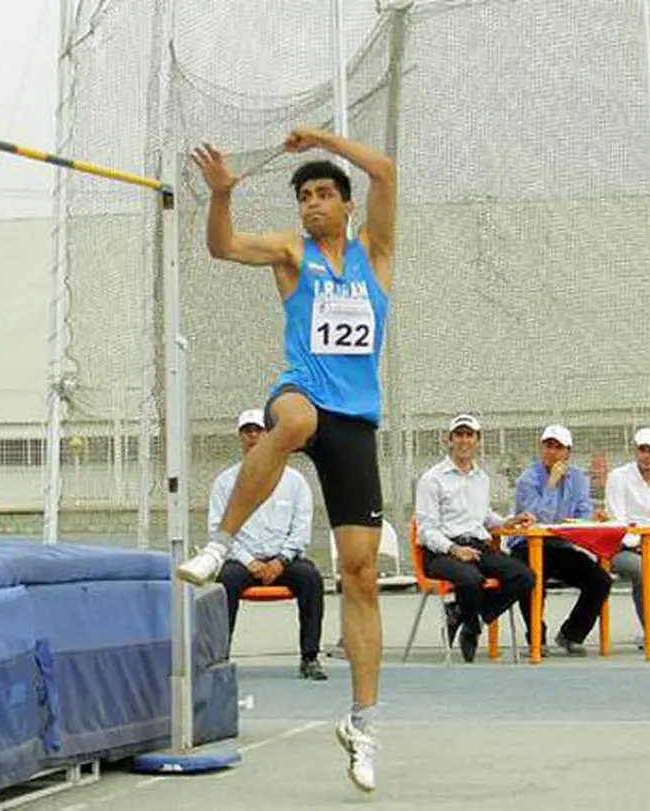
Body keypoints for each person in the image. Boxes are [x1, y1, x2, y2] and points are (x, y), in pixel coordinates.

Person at [179, 126, 396, 792]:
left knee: (358, 575)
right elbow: (222, 246)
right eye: (305, 196)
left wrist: (321, 139)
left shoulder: (374, 254)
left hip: (355, 422)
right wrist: (220, 196)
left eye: (325, 194)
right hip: (303, 394)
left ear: (346, 204)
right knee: (294, 419)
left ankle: (361, 723)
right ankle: (219, 544)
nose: (313, 205)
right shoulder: (290, 255)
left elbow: (384, 168)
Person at [211, 409, 326, 680]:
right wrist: (249, 561)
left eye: (259, 431)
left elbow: (301, 529)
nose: (253, 437)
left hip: (283, 560)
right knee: (224, 581)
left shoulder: (295, 482)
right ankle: (218, 659)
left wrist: (281, 561)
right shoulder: (225, 482)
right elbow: (219, 529)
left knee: (310, 578)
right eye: (247, 431)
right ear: (240, 437)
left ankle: (310, 657)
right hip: (242, 561)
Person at [413, 414, 536, 662]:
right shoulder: (432, 479)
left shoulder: (482, 478)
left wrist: (506, 522)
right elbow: (426, 530)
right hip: (441, 553)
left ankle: (470, 618)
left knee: (525, 576)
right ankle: (469, 621)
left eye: (470, 435)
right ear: (449, 440)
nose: (464, 440)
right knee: (471, 579)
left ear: (478, 440)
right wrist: (454, 549)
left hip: (477, 547)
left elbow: (482, 516)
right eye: (459, 434)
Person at [506, 424, 611, 656]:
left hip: (560, 545)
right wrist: (552, 483)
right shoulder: (527, 479)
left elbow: (582, 513)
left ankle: (571, 634)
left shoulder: (578, 479)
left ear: (568, 452)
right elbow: (536, 519)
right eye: (548, 445)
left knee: (600, 581)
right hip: (528, 544)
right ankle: (536, 638)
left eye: (558, 447)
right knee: (531, 578)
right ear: (541, 448)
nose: (552, 451)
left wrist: (592, 518)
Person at [605, 427, 650, 653]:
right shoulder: (618, 477)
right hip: (621, 548)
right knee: (643, 570)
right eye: (642, 449)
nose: (646, 456)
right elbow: (619, 525)